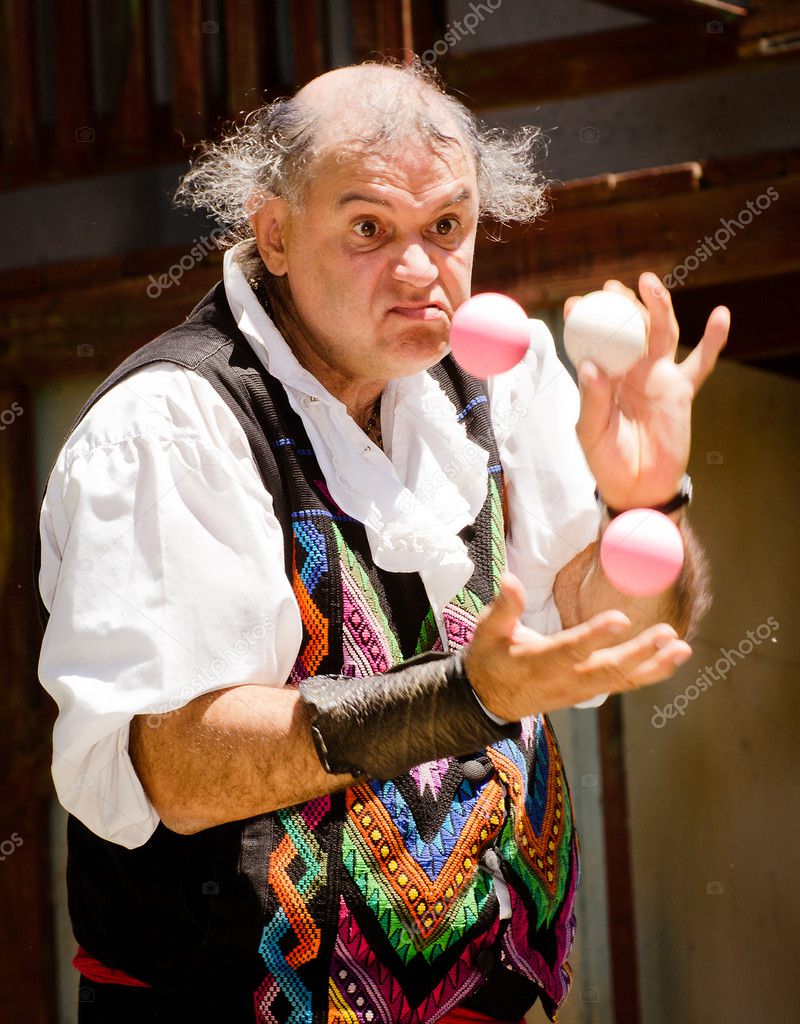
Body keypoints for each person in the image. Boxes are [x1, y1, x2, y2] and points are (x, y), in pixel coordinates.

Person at [36, 59, 727, 1024]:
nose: (419, 271)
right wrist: (467, 697)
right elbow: (177, 769)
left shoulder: (501, 378)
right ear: (273, 234)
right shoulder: (174, 426)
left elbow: (605, 632)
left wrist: (649, 502)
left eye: (446, 227)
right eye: (368, 229)